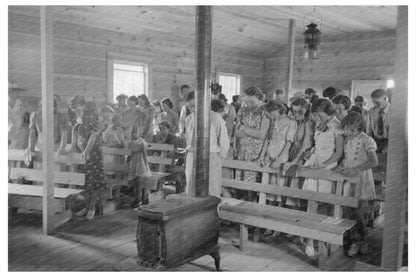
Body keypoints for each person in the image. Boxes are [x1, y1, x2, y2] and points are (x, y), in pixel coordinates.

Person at [302, 98, 345, 256]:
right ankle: (310, 240)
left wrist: (324, 164)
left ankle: (328, 237)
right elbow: (317, 145)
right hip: (315, 164)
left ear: (328, 112)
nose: (316, 117)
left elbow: (339, 152)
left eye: (319, 114)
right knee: (312, 201)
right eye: (315, 114)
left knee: (327, 204)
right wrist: (311, 152)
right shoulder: (318, 125)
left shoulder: (337, 126)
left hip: (329, 166)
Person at [334, 112, 379, 256]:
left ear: (356, 126)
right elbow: (346, 158)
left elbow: (374, 162)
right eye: (345, 127)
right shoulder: (348, 140)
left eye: (348, 127)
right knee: (348, 210)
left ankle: (362, 240)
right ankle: (354, 240)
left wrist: (355, 169)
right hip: (348, 178)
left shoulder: (367, 140)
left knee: (356, 211)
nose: (346, 130)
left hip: (361, 177)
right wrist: (341, 165)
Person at [259, 100, 297, 237]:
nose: (269, 115)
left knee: (279, 193)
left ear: (278, 109)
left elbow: (289, 142)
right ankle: (269, 224)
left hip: (281, 157)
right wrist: (262, 156)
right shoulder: (272, 121)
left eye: (271, 112)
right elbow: (268, 140)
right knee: (269, 193)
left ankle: (278, 227)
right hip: (270, 155)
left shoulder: (291, 122)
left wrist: (280, 159)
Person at [184, 91, 230, 197]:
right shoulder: (189, 119)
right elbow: (188, 139)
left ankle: (212, 212)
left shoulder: (215, 118)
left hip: (211, 157)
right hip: (193, 155)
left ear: (203, 104)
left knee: (212, 189)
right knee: (192, 187)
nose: (194, 110)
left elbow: (224, 142)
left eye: (196, 106)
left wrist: (217, 158)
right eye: (190, 107)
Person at [68, 96, 106, 220]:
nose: (76, 111)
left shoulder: (91, 112)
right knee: (83, 180)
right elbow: (74, 131)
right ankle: (92, 205)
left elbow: (94, 134)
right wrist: (73, 147)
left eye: (77, 108)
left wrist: (87, 150)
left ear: (82, 104)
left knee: (93, 180)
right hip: (80, 149)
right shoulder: (73, 114)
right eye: (73, 109)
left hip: (93, 149)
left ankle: (92, 207)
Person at [234, 86, 271, 201]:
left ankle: (252, 203)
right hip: (242, 150)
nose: (248, 103)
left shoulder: (265, 111)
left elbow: (262, 135)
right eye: (246, 101)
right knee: (240, 181)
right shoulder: (242, 110)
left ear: (259, 98)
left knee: (253, 182)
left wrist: (243, 128)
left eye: (251, 101)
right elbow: (235, 132)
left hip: (256, 152)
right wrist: (252, 132)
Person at [26, 96, 68, 161]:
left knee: (55, 168)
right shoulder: (35, 115)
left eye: (53, 106)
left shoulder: (60, 116)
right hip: (40, 148)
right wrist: (30, 147)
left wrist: (62, 147)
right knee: (39, 168)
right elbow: (32, 132)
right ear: (42, 106)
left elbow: (64, 133)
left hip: (55, 148)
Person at [366, 89, 390, 153]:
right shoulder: (371, 111)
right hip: (375, 140)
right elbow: (368, 129)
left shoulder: (394, 110)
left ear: (385, 98)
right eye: (373, 103)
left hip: (389, 141)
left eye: (377, 102)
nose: (375, 105)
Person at [8, 84, 30, 149]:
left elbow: (28, 119)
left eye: (17, 91)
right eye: (15, 91)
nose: (17, 93)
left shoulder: (21, 104)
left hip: (18, 135)